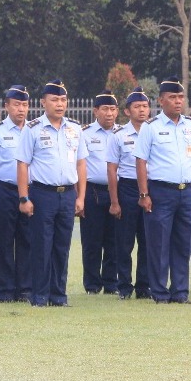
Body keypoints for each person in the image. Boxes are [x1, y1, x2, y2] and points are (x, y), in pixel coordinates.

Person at [16, 79, 86, 307]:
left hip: (67, 194)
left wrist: (81, 197)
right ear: (43, 102)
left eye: (63, 100)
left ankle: (59, 295)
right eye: (54, 100)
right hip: (42, 194)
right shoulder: (33, 128)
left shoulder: (75, 129)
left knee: (62, 246)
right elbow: (22, 164)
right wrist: (24, 197)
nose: (59, 104)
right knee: (41, 246)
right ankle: (40, 295)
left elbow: (81, 164)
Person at [135, 76, 191, 304]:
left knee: (183, 244)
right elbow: (140, 161)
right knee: (159, 244)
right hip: (160, 191)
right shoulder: (150, 127)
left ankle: (180, 292)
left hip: (186, 191)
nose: (178, 101)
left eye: (180, 97)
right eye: (172, 97)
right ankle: (160, 292)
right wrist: (144, 194)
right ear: (161, 101)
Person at [0, 85, 32, 303]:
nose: (20, 109)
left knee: (26, 239)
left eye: (24, 105)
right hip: (5, 190)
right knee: (3, 240)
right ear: (6, 107)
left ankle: (24, 288)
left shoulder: (33, 130)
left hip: (30, 191)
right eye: (16, 104)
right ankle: (4, 289)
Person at [107, 86, 152, 300]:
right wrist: (114, 201)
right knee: (124, 242)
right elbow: (112, 169)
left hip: (151, 188)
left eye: (145, 106)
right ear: (127, 111)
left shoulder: (154, 132)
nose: (142, 110)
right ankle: (124, 286)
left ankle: (144, 286)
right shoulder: (119, 135)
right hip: (127, 187)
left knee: (147, 240)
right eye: (137, 107)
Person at [80, 92, 120, 294]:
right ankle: (92, 284)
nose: (109, 113)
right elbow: (81, 166)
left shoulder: (122, 133)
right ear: (95, 111)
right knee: (92, 241)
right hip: (92, 191)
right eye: (105, 109)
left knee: (114, 240)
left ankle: (111, 283)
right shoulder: (84, 134)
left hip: (117, 192)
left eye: (113, 109)